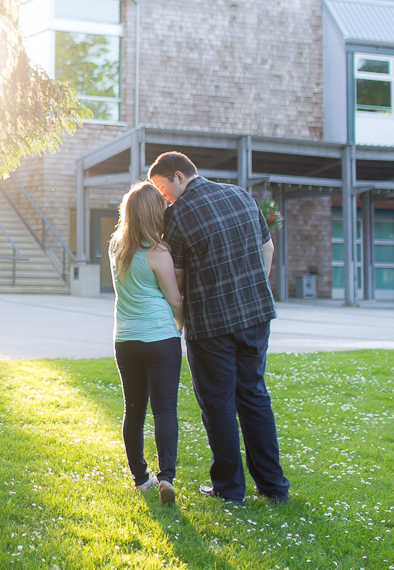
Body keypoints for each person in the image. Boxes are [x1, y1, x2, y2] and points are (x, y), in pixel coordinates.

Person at [148, 151, 290, 504]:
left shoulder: (178, 215)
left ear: (179, 177)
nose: (164, 198)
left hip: (211, 324)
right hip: (256, 315)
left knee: (218, 404)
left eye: (164, 189)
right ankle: (273, 487)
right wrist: (256, 286)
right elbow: (267, 247)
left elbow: (177, 277)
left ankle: (229, 489)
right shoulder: (241, 194)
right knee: (254, 396)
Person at [109, 180, 184, 506]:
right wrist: (179, 327)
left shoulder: (116, 245)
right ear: (156, 212)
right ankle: (166, 476)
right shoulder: (159, 252)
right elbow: (176, 301)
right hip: (159, 338)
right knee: (164, 408)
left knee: (134, 409)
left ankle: (141, 478)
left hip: (125, 339)